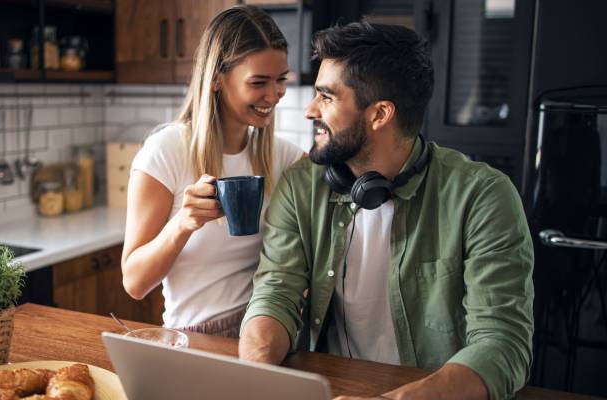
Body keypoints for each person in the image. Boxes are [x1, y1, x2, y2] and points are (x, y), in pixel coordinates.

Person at [238, 22, 534, 400]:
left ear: (380, 114)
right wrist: (253, 374)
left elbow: (502, 343)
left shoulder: (483, 196)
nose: (310, 110)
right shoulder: (302, 184)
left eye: (327, 98)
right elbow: (275, 292)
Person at [121, 5, 304, 338]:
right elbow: (134, 283)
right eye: (259, 82)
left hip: (265, 332)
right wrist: (183, 224)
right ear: (218, 79)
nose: (274, 94)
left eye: (281, 81)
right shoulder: (167, 151)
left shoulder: (285, 157)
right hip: (193, 337)